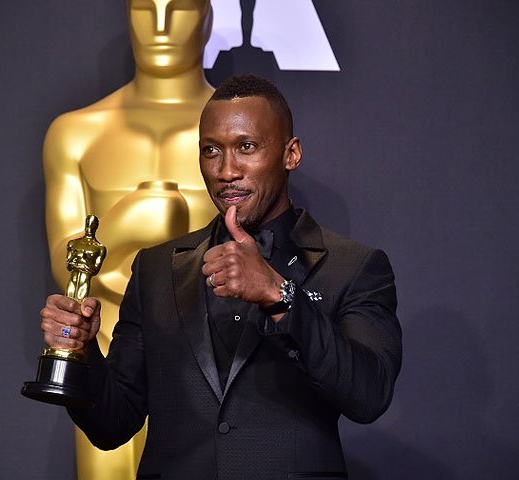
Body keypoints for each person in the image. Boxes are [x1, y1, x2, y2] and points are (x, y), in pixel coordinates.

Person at [40, 75, 402, 480]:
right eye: (211, 151)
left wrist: (279, 295)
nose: (227, 171)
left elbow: (368, 395)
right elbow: (113, 425)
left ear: (291, 153)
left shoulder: (352, 267)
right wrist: (84, 353)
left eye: (246, 147)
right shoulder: (155, 269)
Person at [42, 1, 216, 477]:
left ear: (208, 20)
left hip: (208, 356)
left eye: (178, 8)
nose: (159, 25)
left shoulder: (235, 137)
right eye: (144, 7)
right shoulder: (76, 134)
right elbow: (65, 266)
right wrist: (125, 225)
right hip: (106, 348)